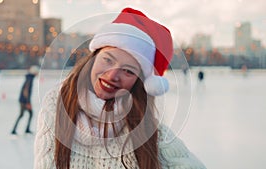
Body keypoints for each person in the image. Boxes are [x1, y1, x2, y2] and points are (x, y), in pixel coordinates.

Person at [34, 8, 206, 169]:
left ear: (139, 83)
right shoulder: (56, 105)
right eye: (107, 60)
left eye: (127, 71)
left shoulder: (144, 127)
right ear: (93, 58)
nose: (112, 75)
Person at [11, 65, 39, 135]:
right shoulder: (30, 79)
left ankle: (25, 129)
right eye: (37, 72)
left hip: (23, 100)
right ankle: (14, 130)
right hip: (24, 101)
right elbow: (26, 91)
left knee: (28, 114)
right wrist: (28, 102)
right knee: (22, 114)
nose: (37, 74)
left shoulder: (29, 77)